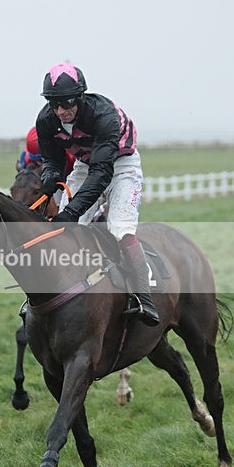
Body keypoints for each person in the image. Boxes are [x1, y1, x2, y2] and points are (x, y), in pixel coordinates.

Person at [36, 61, 159, 327]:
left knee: (120, 229)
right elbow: (52, 159)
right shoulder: (46, 119)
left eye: (66, 103)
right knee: (65, 231)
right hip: (85, 164)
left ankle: (143, 297)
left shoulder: (104, 115)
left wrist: (70, 211)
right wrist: (49, 177)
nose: (60, 110)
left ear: (79, 97)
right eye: (53, 103)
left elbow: (102, 174)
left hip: (121, 165)